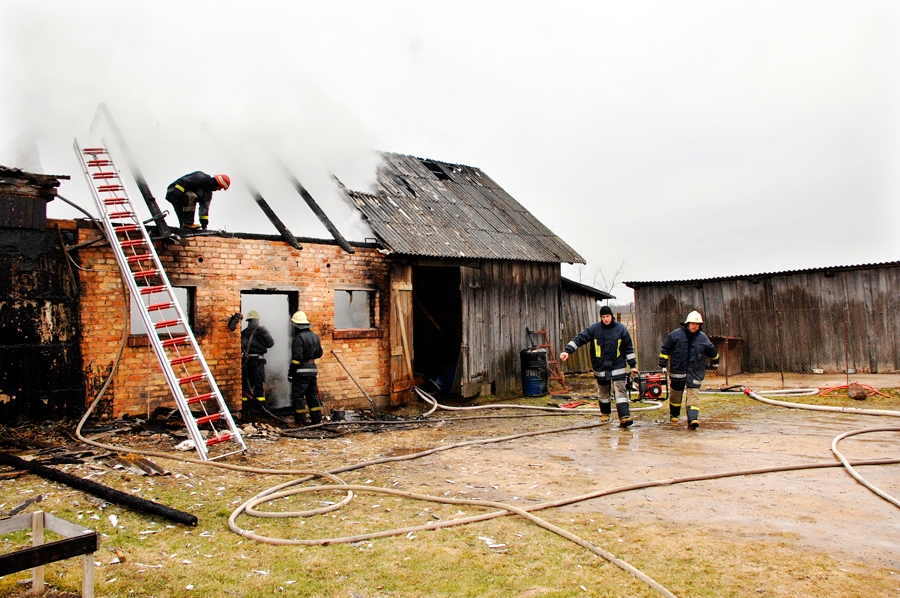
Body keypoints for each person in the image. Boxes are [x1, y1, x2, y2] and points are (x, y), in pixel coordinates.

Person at [560, 305, 639, 428]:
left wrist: (633, 366)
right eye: (603, 317)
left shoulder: (621, 329)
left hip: (617, 365)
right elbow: (580, 338)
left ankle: (624, 417)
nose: (606, 319)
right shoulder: (594, 329)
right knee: (603, 393)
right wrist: (567, 351)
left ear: (611, 316)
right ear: (600, 318)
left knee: (620, 392)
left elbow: (628, 348)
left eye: (607, 316)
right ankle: (605, 414)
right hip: (600, 367)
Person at [658, 310, 719, 429]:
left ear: (700, 325)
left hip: (695, 372)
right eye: (692, 323)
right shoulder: (675, 335)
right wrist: (663, 364)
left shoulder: (702, 338)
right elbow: (665, 350)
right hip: (677, 371)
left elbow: (711, 350)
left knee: (693, 395)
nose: (694, 326)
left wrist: (716, 360)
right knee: (676, 395)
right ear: (687, 323)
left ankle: (693, 419)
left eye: (697, 324)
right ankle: (674, 415)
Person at [288, 310, 324, 425]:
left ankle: (300, 421)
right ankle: (317, 419)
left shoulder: (299, 338)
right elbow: (319, 353)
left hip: (301, 372)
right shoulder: (315, 336)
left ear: (296, 326)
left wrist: (291, 373)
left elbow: (296, 358)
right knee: (312, 395)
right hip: (312, 370)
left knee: (298, 396)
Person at [164, 171, 230, 229]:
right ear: (218, 184)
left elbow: (204, 209)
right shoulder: (201, 177)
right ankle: (188, 223)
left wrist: (204, 225)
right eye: (221, 187)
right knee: (192, 196)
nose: (219, 189)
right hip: (174, 191)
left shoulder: (208, 194)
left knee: (183, 223)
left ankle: (185, 228)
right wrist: (176, 195)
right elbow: (183, 182)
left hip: (182, 198)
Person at [240, 310, 274, 421]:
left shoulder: (244, 332)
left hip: (245, 362)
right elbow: (270, 343)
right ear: (257, 320)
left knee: (246, 385)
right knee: (258, 385)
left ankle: (247, 408)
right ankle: (259, 409)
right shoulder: (262, 330)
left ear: (248, 321)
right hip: (258, 362)